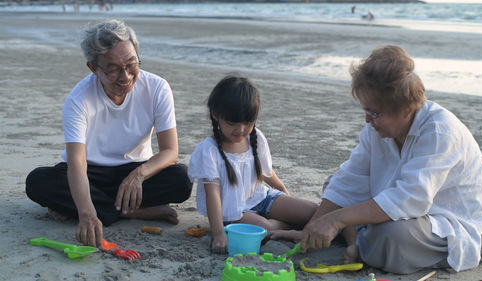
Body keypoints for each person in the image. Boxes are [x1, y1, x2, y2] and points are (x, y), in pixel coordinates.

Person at [272, 45, 482, 274]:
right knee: (334, 185)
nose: (368, 119)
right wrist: (311, 229)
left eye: (376, 112)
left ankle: (358, 239)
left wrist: (335, 221)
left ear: (406, 108)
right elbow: (350, 179)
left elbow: (410, 199)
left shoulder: (440, 131)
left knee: (391, 235)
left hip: (447, 224)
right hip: (401, 212)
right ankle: (358, 237)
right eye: (366, 110)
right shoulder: (377, 129)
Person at [25, 20, 192, 248]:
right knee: (37, 182)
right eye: (113, 69)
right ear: (93, 68)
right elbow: (76, 162)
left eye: (131, 64)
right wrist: (86, 214)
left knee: (181, 179)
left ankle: (93, 205)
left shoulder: (157, 88)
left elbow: (171, 151)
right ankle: (135, 212)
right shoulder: (79, 99)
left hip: (136, 170)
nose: (125, 77)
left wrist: (138, 175)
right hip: (90, 172)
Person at [188, 75, 318, 254]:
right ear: (216, 114)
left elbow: (267, 172)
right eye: (233, 123)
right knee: (263, 231)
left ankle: (289, 226)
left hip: (262, 198)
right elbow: (213, 196)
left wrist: (284, 193)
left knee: (313, 211)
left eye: (247, 123)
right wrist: (218, 234)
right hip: (235, 212)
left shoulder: (255, 138)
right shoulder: (208, 150)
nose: (241, 129)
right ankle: (287, 229)